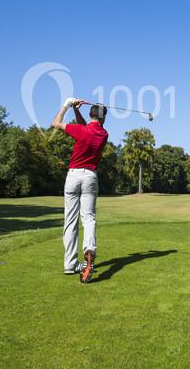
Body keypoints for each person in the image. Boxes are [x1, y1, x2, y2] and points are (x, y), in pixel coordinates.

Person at [51, 97, 108, 283]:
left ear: (91, 114)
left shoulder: (81, 131)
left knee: (70, 220)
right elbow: (87, 129)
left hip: (73, 176)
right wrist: (77, 111)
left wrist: (67, 105)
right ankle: (89, 249)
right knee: (88, 217)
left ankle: (70, 264)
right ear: (103, 119)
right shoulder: (103, 134)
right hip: (90, 176)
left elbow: (55, 123)